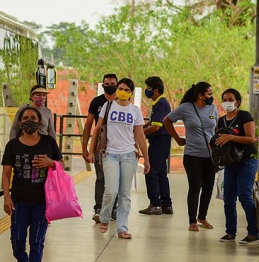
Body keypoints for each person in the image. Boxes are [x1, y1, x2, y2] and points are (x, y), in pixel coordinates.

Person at [2, 106, 62, 262]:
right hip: (19, 202)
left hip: (43, 201)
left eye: (33, 118)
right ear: (20, 122)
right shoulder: (12, 145)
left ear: (40, 122)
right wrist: (7, 197)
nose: (29, 121)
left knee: (37, 240)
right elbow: (6, 174)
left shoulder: (48, 142)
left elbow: (60, 164)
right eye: (26, 118)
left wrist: (51, 162)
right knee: (17, 240)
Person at [90, 78, 150, 239]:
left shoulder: (135, 111)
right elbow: (97, 129)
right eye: (120, 88)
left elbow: (140, 135)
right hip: (110, 154)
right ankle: (104, 217)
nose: (122, 91)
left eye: (126, 90)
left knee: (125, 194)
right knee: (111, 190)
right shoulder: (108, 107)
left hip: (129, 155)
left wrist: (146, 158)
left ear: (131, 93)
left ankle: (122, 228)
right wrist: (91, 151)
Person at [163, 82, 218, 232]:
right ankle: (192, 221)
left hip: (210, 156)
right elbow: (167, 121)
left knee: (208, 188)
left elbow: (216, 128)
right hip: (193, 155)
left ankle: (203, 217)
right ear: (200, 95)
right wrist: (177, 139)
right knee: (195, 186)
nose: (211, 97)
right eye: (209, 94)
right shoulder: (186, 108)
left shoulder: (213, 108)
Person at [215, 88, 259, 245]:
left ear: (237, 101)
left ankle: (253, 232)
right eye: (225, 99)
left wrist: (230, 137)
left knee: (245, 196)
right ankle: (230, 232)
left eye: (230, 99)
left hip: (247, 160)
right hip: (230, 162)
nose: (227, 102)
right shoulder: (221, 121)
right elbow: (220, 140)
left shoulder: (245, 116)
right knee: (228, 198)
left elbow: (250, 138)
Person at [81, 73, 119, 223]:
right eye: (107, 84)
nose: (110, 86)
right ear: (103, 85)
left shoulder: (122, 102)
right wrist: (85, 149)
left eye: (113, 83)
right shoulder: (97, 102)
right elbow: (89, 126)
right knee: (101, 178)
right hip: (100, 146)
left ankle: (113, 209)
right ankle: (98, 208)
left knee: (116, 179)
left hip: (118, 146)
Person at [139, 76, 174, 215]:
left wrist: (141, 135)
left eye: (148, 88)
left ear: (156, 90)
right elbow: (152, 121)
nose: (146, 91)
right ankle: (166, 204)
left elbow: (156, 126)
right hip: (162, 141)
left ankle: (155, 203)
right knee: (161, 174)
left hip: (160, 141)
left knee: (151, 171)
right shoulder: (159, 103)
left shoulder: (161, 103)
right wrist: (141, 128)